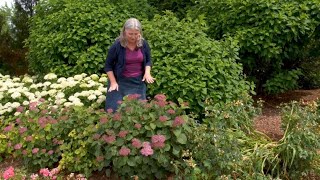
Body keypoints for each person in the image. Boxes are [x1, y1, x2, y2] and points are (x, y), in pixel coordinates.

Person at [104, 18, 155, 112]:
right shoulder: (117, 45)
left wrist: (147, 73)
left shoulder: (143, 44)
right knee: (114, 110)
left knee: (138, 111)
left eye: (136, 34)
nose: (133, 37)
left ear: (140, 32)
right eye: (130, 34)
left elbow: (148, 61)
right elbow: (108, 66)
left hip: (137, 82)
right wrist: (113, 82)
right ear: (124, 32)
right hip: (119, 81)